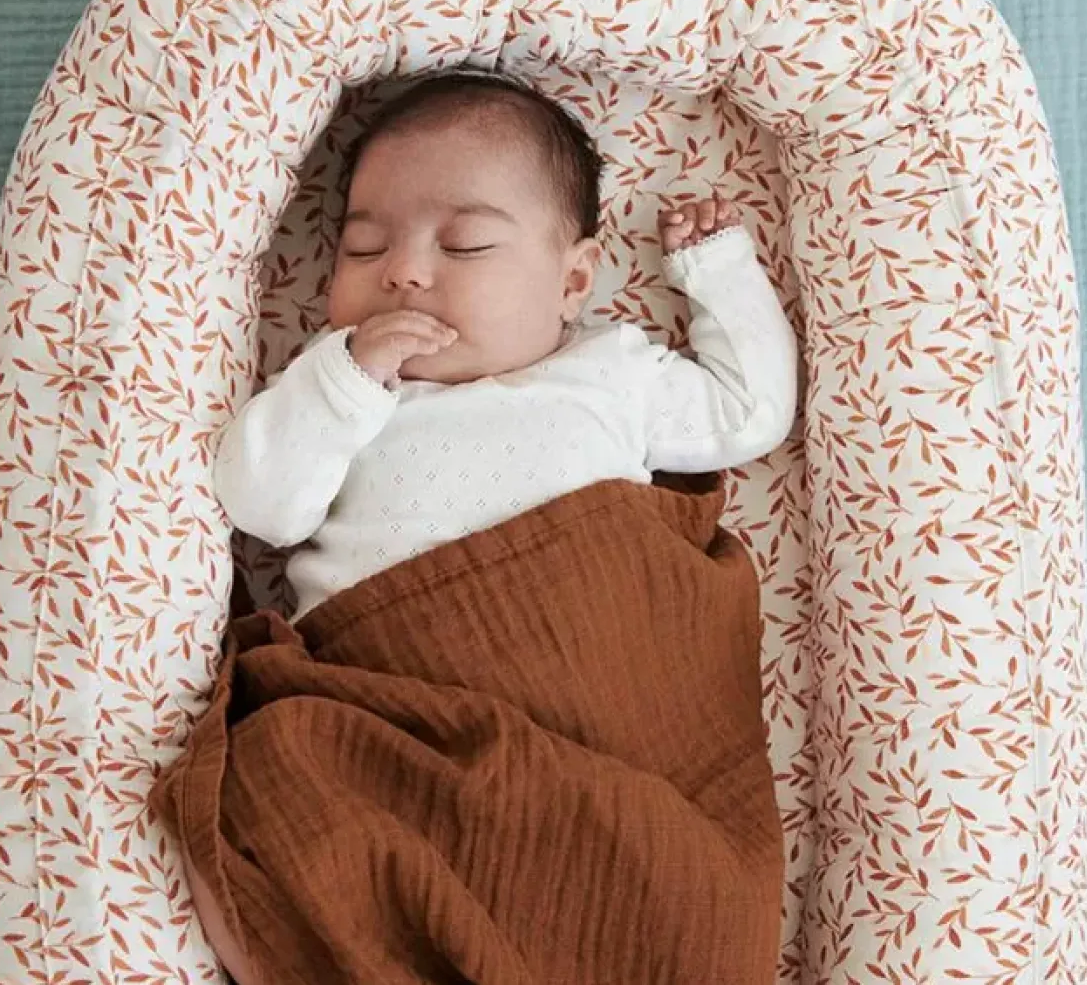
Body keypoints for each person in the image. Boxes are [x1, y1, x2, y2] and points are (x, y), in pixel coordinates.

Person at [214, 69, 798, 622]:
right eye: (365, 247)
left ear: (572, 282)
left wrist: (717, 270)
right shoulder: (333, 386)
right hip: (382, 665)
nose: (403, 272)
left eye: (464, 245)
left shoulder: (612, 372)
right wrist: (344, 382)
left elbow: (748, 412)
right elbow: (261, 507)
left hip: (582, 651)